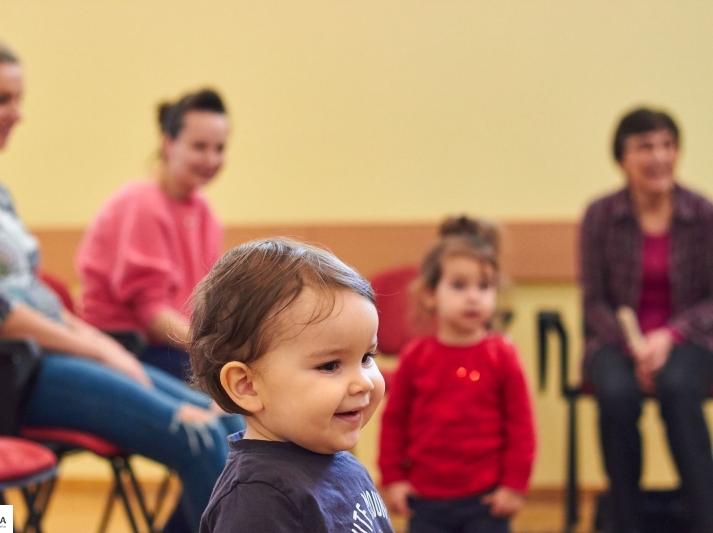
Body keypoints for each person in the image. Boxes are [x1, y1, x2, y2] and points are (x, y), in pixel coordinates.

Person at [0, 35, 242, 533]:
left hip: (37, 357)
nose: (16, 113)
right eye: (1, 99)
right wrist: (102, 351)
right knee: (195, 436)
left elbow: (38, 299)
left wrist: (103, 349)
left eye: (18, 100)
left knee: (227, 424)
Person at [188, 238, 393, 533]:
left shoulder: (338, 462)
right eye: (330, 365)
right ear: (247, 386)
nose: (362, 382)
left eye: (366, 357)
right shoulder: (258, 497)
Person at [580, 107, 713, 533]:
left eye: (667, 145)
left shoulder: (703, 213)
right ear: (622, 158)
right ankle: (625, 520)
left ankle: (704, 516)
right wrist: (632, 347)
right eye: (645, 146)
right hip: (616, 342)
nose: (659, 156)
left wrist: (670, 336)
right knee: (616, 393)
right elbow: (594, 301)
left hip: (689, 339)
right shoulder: (599, 215)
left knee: (678, 386)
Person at [378, 216, 536, 533]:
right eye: (459, 285)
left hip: (487, 501)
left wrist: (514, 485)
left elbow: (521, 425)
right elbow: (394, 420)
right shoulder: (416, 356)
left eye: (484, 285)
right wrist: (393, 478)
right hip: (426, 501)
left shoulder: (502, 354)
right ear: (429, 294)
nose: (474, 296)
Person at [76, 88, 229, 382]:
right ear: (168, 144)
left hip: (174, 345)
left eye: (219, 148)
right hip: (129, 348)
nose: (211, 158)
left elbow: (207, 302)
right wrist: (217, 351)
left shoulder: (204, 212)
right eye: (199, 147)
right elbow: (153, 315)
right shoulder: (142, 203)